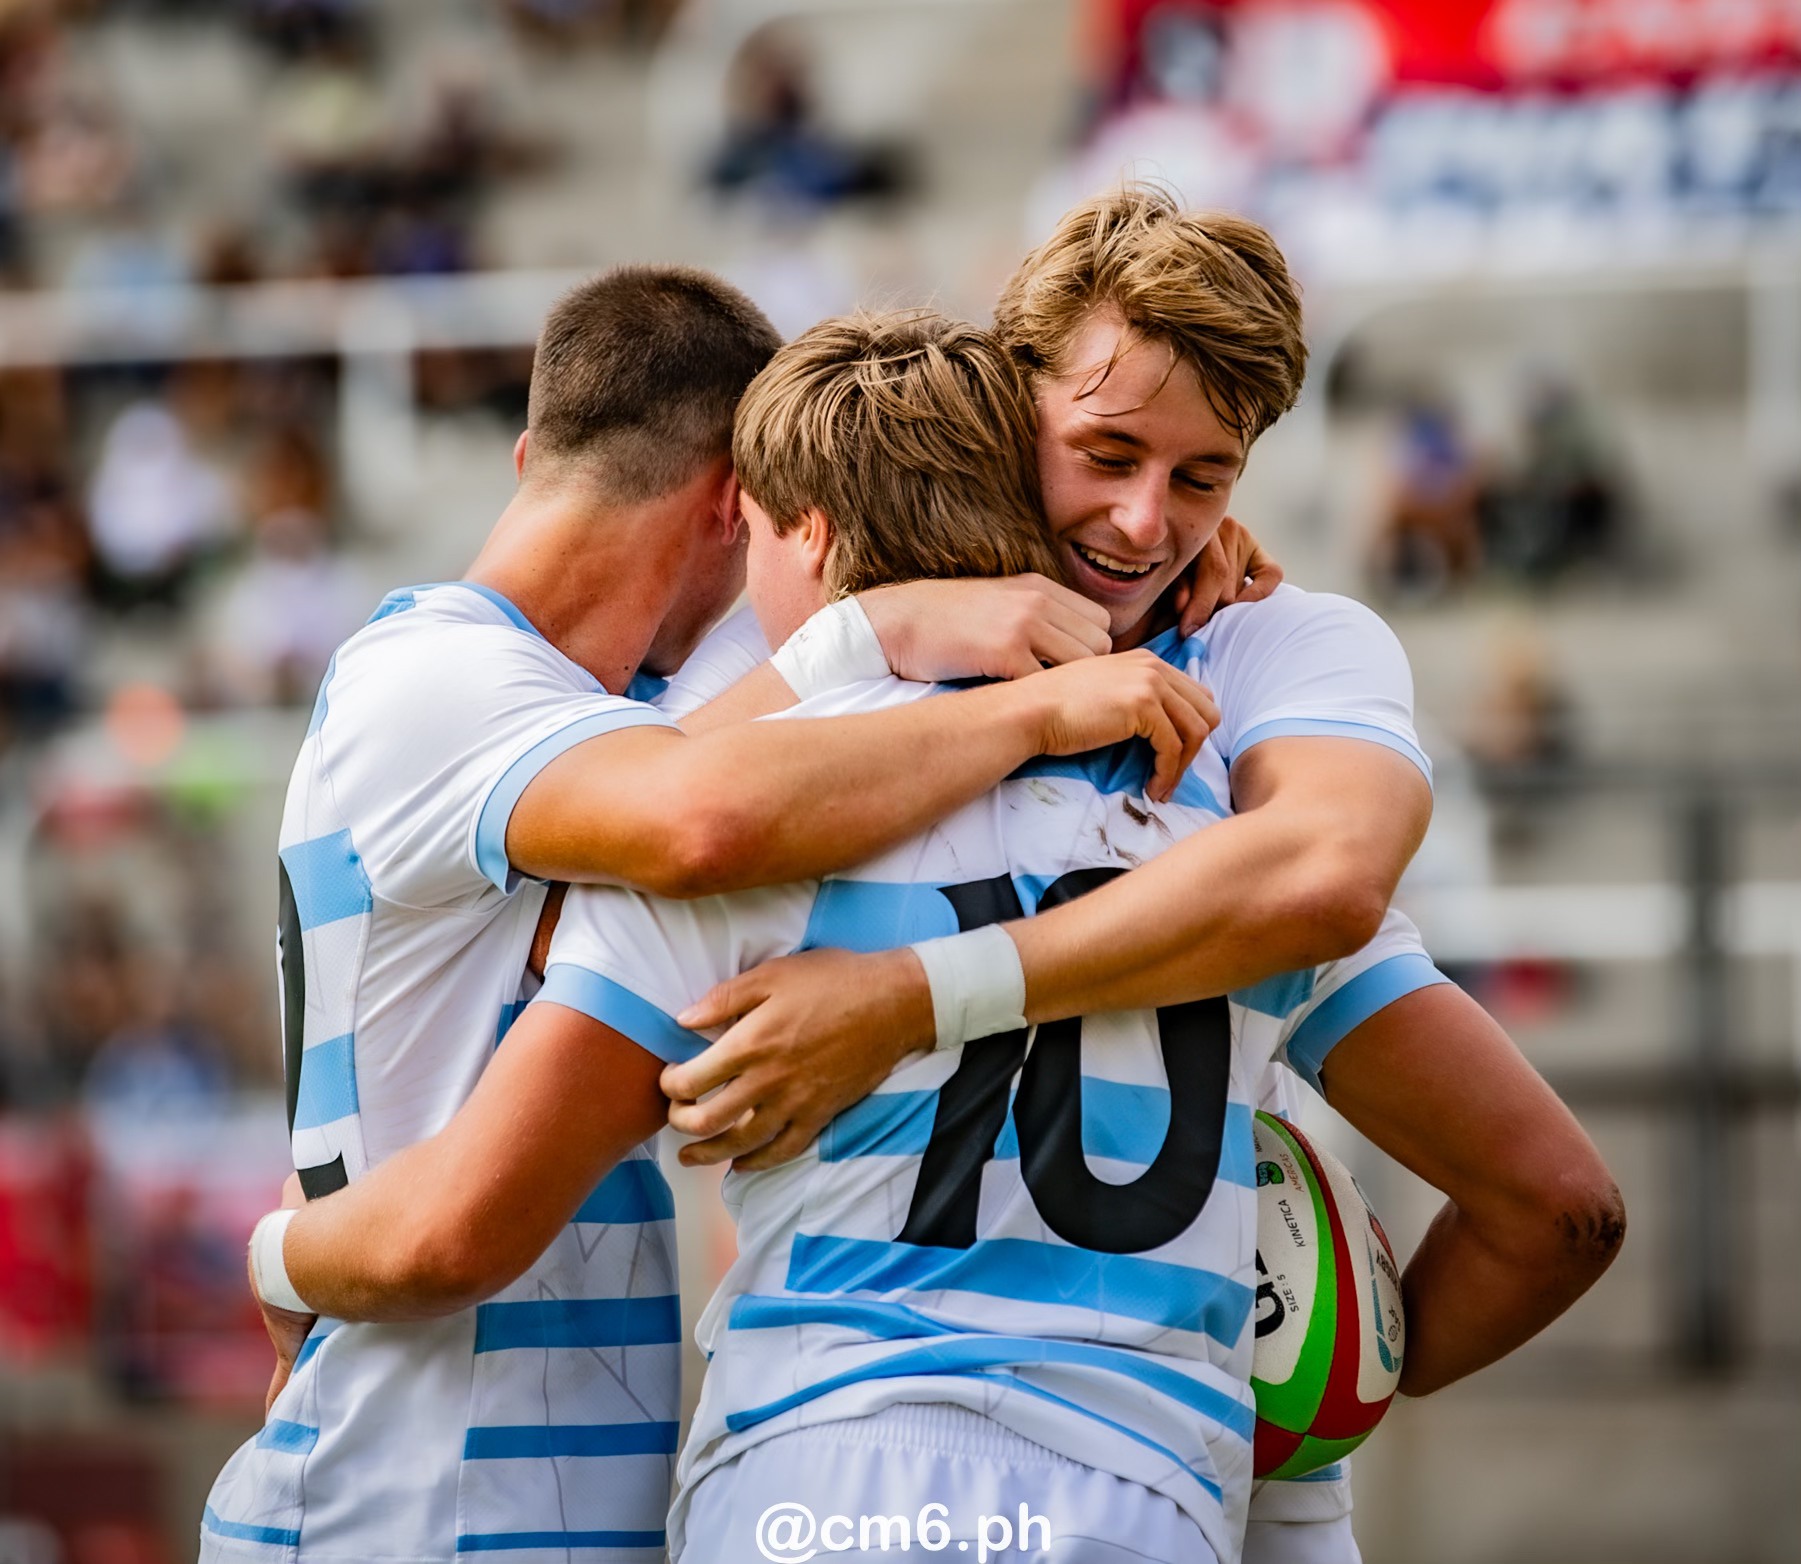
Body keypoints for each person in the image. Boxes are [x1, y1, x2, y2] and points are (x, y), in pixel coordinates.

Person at [248, 306, 1618, 1563]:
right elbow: (1556, 1207)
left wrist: (274, 1260)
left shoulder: (758, 821)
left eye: (1197, 484)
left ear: (798, 527)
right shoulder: (1227, 834)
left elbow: (475, 1192)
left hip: (769, 1479)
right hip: (1136, 1487)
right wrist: (1330, 1375)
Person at [195, 264, 1220, 1561]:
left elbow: (734, 752)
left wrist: (1171, 574)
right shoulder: (434, 675)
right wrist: (278, 1255)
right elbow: (700, 820)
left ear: (527, 454)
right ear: (738, 505)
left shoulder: (586, 727)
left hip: (513, 1495)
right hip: (399, 1497)